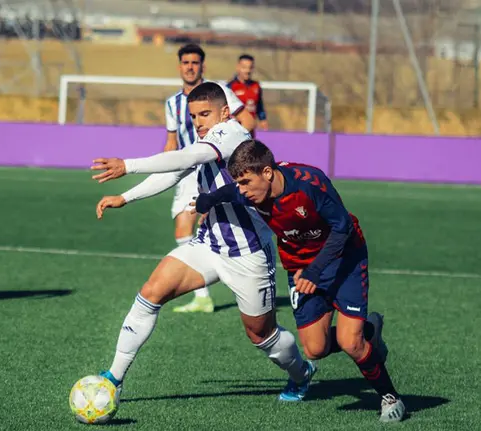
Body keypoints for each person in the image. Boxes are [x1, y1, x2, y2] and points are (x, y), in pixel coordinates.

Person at [89, 82, 316, 406]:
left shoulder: (233, 135)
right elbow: (177, 169)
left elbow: (188, 155)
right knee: (151, 292)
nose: (198, 121)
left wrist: (128, 164)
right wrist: (126, 197)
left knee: (262, 336)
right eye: (194, 116)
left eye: (205, 114)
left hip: (248, 253)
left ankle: (301, 373)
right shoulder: (205, 140)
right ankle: (114, 379)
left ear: (224, 112)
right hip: (209, 244)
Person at [192, 140, 406, 423]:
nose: (242, 190)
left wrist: (315, 272)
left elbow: (342, 228)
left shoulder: (309, 184)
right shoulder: (252, 191)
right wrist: (207, 201)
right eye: (239, 183)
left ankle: (389, 397)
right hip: (300, 268)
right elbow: (231, 191)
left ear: (267, 172)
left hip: (344, 258)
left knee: (349, 342)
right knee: (314, 349)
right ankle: (369, 332)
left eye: (246, 182)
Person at [164, 43, 254, 313]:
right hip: (188, 171)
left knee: (228, 228)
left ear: (202, 65)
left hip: (216, 168)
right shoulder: (172, 103)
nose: (190, 67)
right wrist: (166, 167)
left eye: (195, 62)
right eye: (185, 62)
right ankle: (203, 296)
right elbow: (171, 141)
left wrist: (233, 149)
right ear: (179, 66)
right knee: (182, 229)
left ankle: (240, 279)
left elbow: (247, 121)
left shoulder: (219, 91)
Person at [226, 54, 268, 138]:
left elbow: (259, 105)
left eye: (250, 67)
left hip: (250, 130)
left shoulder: (256, 86)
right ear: (238, 67)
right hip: (235, 130)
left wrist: (262, 119)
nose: (247, 70)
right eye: (244, 67)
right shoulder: (230, 87)